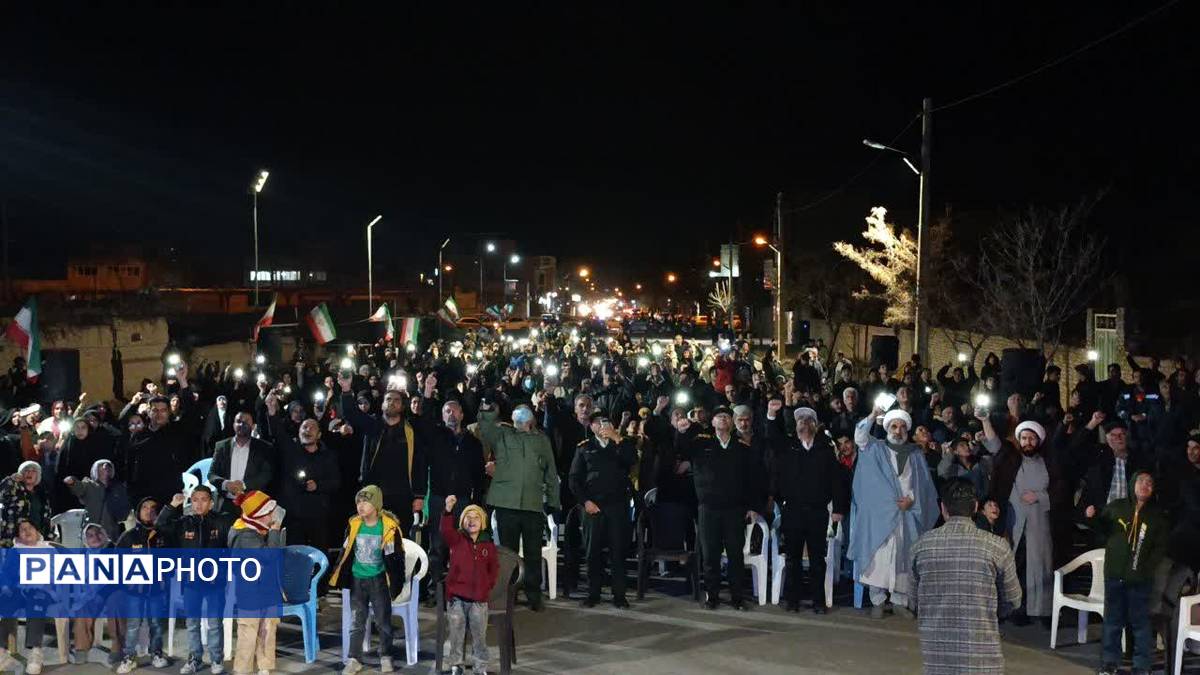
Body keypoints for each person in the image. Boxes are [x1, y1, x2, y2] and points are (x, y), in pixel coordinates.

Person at [911, 478, 1023, 674]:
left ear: (943, 508)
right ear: (976, 507)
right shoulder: (997, 547)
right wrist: (990, 613)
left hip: (937, 658)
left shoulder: (921, 547)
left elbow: (914, 601)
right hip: (983, 659)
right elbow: (1013, 600)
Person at [850, 407, 938, 618]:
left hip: (906, 513)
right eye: (893, 426)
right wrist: (872, 415)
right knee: (878, 556)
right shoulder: (875, 447)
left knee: (903, 556)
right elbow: (859, 436)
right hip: (880, 515)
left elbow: (923, 485)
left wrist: (913, 500)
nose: (897, 431)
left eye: (901, 427)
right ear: (886, 428)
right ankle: (877, 601)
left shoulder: (915, 454)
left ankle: (900, 601)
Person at [674, 406, 760, 610]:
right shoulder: (701, 443)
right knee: (710, 554)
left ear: (731, 423)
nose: (722, 419)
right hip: (708, 507)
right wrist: (682, 431)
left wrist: (752, 506)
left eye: (726, 417)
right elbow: (681, 449)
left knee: (735, 555)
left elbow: (752, 479)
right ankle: (712, 595)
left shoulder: (741, 447)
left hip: (734, 509)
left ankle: (737, 597)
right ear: (712, 422)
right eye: (718, 417)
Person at [766, 401, 849, 613]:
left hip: (817, 512)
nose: (803, 425)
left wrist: (838, 509)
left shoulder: (825, 450)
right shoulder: (789, 447)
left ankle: (818, 602)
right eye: (799, 421)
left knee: (817, 560)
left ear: (815, 425)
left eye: (807, 421)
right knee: (792, 558)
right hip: (792, 511)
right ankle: (792, 600)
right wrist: (772, 415)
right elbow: (773, 438)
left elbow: (836, 481)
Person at [478, 401, 560, 611]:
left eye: (526, 412)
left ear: (532, 418)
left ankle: (534, 595)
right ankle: (509, 593)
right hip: (507, 503)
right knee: (508, 552)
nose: (522, 416)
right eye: (518, 412)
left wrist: (553, 501)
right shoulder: (503, 435)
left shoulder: (542, 440)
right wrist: (489, 408)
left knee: (533, 552)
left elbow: (550, 472)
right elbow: (485, 429)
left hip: (532, 503)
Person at [1085, 471, 1168, 675]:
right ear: (1133, 484)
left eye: (1150, 483)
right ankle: (1109, 663)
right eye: (1141, 481)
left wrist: (1145, 570)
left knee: (1141, 625)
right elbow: (1101, 531)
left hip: (1141, 581)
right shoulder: (1116, 507)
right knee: (1112, 622)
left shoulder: (1158, 517)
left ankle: (1142, 666)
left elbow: (1160, 549)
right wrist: (1092, 518)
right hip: (1114, 576)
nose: (1145, 486)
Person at [981, 417, 1056, 626]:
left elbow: (1061, 489)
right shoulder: (1011, 459)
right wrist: (985, 420)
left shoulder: (1048, 462)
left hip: (1039, 524)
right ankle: (1013, 609)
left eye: (1032, 438)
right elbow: (995, 444)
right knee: (1013, 567)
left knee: (1039, 567)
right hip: (1014, 522)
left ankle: (1040, 611)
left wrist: (1040, 497)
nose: (1028, 442)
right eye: (1024, 438)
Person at [329, 485, 407, 675]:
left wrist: (396, 582)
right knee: (357, 621)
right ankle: (354, 658)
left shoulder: (388, 527)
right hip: (357, 579)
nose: (361, 506)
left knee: (383, 622)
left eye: (366, 502)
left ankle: (386, 656)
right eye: (358, 502)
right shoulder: (354, 524)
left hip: (378, 580)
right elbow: (346, 551)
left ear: (376, 505)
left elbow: (396, 557)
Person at [155, 485, 233, 675]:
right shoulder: (183, 523)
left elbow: (232, 545)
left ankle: (216, 660)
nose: (199, 504)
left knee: (214, 623)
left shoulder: (221, 521)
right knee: (192, 623)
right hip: (191, 582)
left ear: (211, 502)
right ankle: (194, 659)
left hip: (215, 583)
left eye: (203, 499)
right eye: (195, 499)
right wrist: (173, 505)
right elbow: (160, 525)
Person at [339, 372, 428, 532]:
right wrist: (346, 389)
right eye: (388, 399)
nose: (392, 403)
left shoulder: (411, 431)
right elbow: (351, 414)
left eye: (396, 400)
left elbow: (419, 463)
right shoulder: (374, 426)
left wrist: (419, 495)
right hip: (375, 494)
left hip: (403, 495)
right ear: (382, 405)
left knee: (400, 539)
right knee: (374, 535)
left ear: (402, 406)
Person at [569, 413, 637, 609]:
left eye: (606, 422)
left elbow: (632, 461)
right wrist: (585, 502)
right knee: (593, 552)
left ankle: (619, 595)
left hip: (617, 505)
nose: (603, 425)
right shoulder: (584, 447)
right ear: (592, 427)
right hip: (593, 507)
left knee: (618, 551)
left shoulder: (622, 444)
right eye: (598, 422)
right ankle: (593, 593)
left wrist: (617, 438)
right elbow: (574, 479)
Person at [227, 490, 285, 675]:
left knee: (268, 629)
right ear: (259, 515)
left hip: (266, 588)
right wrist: (275, 530)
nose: (273, 516)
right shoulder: (245, 535)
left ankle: (265, 666)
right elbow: (269, 556)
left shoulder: (256, 529)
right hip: (251, 591)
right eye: (270, 513)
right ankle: (242, 669)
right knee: (249, 630)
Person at [439, 494, 498, 675]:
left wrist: (486, 585)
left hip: (479, 600)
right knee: (456, 633)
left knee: (479, 636)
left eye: (476, 517)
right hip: (457, 598)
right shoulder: (457, 540)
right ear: (462, 522)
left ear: (483, 523)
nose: (472, 521)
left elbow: (493, 569)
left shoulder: (488, 545)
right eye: (468, 517)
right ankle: (457, 664)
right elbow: (445, 529)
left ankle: (480, 667)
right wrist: (448, 510)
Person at [116, 497, 171, 674]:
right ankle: (129, 658)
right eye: (145, 508)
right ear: (138, 512)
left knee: (156, 624)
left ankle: (156, 654)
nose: (148, 511)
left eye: (153, 508)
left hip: (157, 590)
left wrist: (165, 578)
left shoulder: (162, 536)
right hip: (134, 592)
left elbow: (174, 560)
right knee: (133, 625)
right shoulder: (129, 536)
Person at [276, 418, 341, 552]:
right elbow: (278, 433)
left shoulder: (328, 456)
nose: (307, 430)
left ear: (319, 435)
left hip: (319, 516)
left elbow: (336, 482)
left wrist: (318, 486)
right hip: (294, 517)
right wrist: (272, 413)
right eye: (304, 427)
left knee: (320, 554)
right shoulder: (291, 453)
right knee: (294, 556)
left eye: (312, 428)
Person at [0, 519, 54, 673]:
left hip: (41, 591)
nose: (27, 531)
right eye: (22, 530)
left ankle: (35, 652)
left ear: (37, 531)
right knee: (4, 602)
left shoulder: (48, 549)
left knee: (36, 600)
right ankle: (2, 652)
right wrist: (5, 587)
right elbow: (6, 574)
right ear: (19, 536)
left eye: (30, 527)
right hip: (18, 590)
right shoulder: (15, 551)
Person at [209, 412, 275, 515]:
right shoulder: (221, 446)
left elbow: (266, 475)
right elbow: (211, 474)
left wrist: (243, 485)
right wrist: (226, 484)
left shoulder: (264, 448)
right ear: (233, 425)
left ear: (253, 426)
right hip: (224, 505)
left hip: (253, 504)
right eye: (238, 421)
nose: (241, 425)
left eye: (245, 422)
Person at [64, 458, 131, 538]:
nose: (104, 467)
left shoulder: (118, 488)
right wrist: (73, 482)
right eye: (101, 466)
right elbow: (80, 489)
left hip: (110, 532)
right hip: (91, 529)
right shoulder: (89, 485)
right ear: (95, 470)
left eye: (108, 466)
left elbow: (124, 509)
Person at [0, 460, 52, 546]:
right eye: (26, 470)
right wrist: (11, 480)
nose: (29, 473)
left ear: (38, 476)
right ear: (20, 475)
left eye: (33, 471)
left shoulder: (42, 494)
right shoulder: (13, 490)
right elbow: (2, 493)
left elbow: (46, 520)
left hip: (37, 540)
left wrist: (50, 538)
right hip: (13, 539)